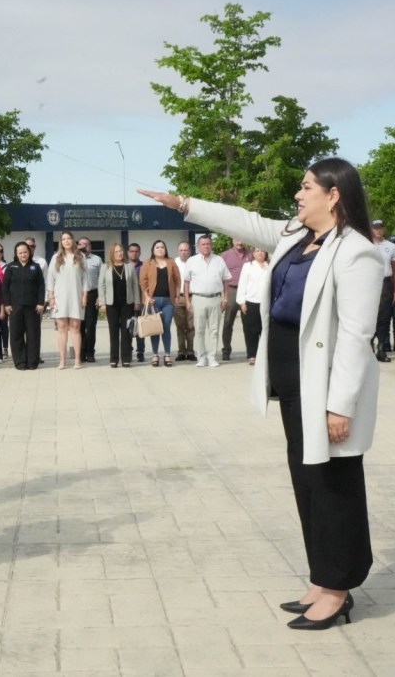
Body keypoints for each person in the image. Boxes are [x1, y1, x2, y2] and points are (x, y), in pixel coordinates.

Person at [140, 156, 382, 630]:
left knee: (334, 486)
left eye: (307, 187)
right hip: (291, 379)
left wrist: (340, 405)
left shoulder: (356, 252)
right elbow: (246, 222)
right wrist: (184, 204)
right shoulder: (296, 234)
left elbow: (357, 335)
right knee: (307, 481)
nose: (298, 194)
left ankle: (339, 588)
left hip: (325, 384)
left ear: (333, 195)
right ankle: (321, 578)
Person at [183, 235, 232, 368]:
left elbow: (226, 281)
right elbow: (186, 282)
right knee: (199, 330)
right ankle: (201, 357)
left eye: (208, 244)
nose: (206, 246)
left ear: (212, 245)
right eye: (203, 244)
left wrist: (225, 298)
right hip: (198, 299)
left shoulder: (219, 260)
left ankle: (211, 357)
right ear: (198, 246)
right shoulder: (192, 261)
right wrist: (187, 301)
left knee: (214, 331)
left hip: (216, 299)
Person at [46, 231, 88, 369]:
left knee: (75, 328)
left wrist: (85, 296)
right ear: (61, 242)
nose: (67, 241)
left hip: (76, 296)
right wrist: (51, 297)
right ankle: (62, 361)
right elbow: (50, 278)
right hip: (60, 297)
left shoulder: (80, 256)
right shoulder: (56, 257)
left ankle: (77, 360)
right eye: (64, 239)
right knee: (62, 328)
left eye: (69, 238)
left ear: (73, 240)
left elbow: (85, 278)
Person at [3, 241, 46, 369]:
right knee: (16, 335)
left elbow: (41, 286)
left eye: (25, 252)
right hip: (15, 307)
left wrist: (41, 302)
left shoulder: (35, 267)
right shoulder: (11, 267)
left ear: (29, 252)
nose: (23, 255)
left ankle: (32, 362)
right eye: (20, 253)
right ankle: (20, 362)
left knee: (33, 335)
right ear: (16, 254)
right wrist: (7, 303)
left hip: (33, 307)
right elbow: (5, 287)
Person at [97, 242, 141, 367]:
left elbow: (135, 284)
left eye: (121, 251)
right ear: (112, 253)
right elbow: (101, 285)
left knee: (126, 331)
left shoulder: (129, 266)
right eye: (116, 252)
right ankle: (114, 358)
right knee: (113, 331)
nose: (119, 253)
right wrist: (102, 303)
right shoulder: (105, 267)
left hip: (127, 303)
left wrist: (137, 301)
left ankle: (126, 358)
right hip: (111, 304)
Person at [139, 240, 180, 367]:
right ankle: (155, 354)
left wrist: (177, 296)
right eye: (157, 247)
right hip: (153, 301)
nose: (160, 249)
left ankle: (167, 354)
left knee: (166, 328)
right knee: (155, 328)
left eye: (162, 247)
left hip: (168, 301)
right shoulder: (147, 263)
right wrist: (147, 297)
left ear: (165, 249)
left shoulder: (171, 262)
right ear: (153, 250)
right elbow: (143, 282)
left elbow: (177, 280)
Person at [371, 220, 395, 362]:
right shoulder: (366, 244)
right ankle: (369, 347)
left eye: (380, 228)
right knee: (370, 316)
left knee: (384, 317)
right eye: (375, 228)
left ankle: (381, 349)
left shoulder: (391, 246)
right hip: (369, 283)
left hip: (385, 283)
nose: (378, 231)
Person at [236, 248, 270, 365]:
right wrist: (242, 302)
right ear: (253, 254)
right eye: (257, 251)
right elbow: (242, 284)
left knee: (265, 330)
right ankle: (252, 355)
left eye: (262, 251)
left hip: (266, 303)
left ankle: (265, 355)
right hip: (250, 302)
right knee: (250, 331)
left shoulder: (270, 266)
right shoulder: (248, 266)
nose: (260, 253)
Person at [221, 238, 253, 361]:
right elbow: (220, 275)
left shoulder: (251, 254)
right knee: (228, 323)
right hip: (232, 290)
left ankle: (251, 352)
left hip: (247, 292)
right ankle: (226, 350)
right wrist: (223, 296)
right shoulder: (225, 256)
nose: (239, 243)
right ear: (233, 240)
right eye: (237, 240)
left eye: (242, 240)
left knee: (248, 324)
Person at [77, 237, 104, 363]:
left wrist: (100, 297)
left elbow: (102, 279)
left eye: (86, 244)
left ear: (90, 246)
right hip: (77, 295)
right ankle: (81, 353)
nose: (84, 246)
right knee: (79, 325)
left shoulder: (97, 259)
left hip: (93, 294)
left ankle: (90, 353)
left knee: (91, 325)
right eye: (81, 244)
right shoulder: (74, 259)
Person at [173, 241, 196, 362]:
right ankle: (181, 351)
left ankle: (191, 351)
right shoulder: (173, 263)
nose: (183, 252)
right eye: (181, 250)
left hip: (192, 297)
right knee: (180, 326)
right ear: (178, 251)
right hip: (179, 297)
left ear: (190, 251)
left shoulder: (195, 262)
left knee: (191, 326)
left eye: (186, 250)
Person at [128, 242, 146, 362]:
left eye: (136, 251)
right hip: (128, 301)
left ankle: (140, 351)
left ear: (139, 253)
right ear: (128, 253)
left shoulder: (144, 266)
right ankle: (128, 350)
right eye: (132, 251)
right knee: (128, 327)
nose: (134, 253)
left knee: (141, 327)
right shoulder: (124, 266)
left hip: (141, 301)